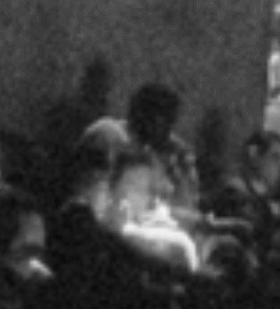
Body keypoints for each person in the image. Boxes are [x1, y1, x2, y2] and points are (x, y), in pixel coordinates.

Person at [78, 82, 201, 214]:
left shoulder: (163, 154)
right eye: (167, 120)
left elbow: (188, 208)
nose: (170, 130)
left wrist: (181, 171)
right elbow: (93, 201)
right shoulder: (109, 134)